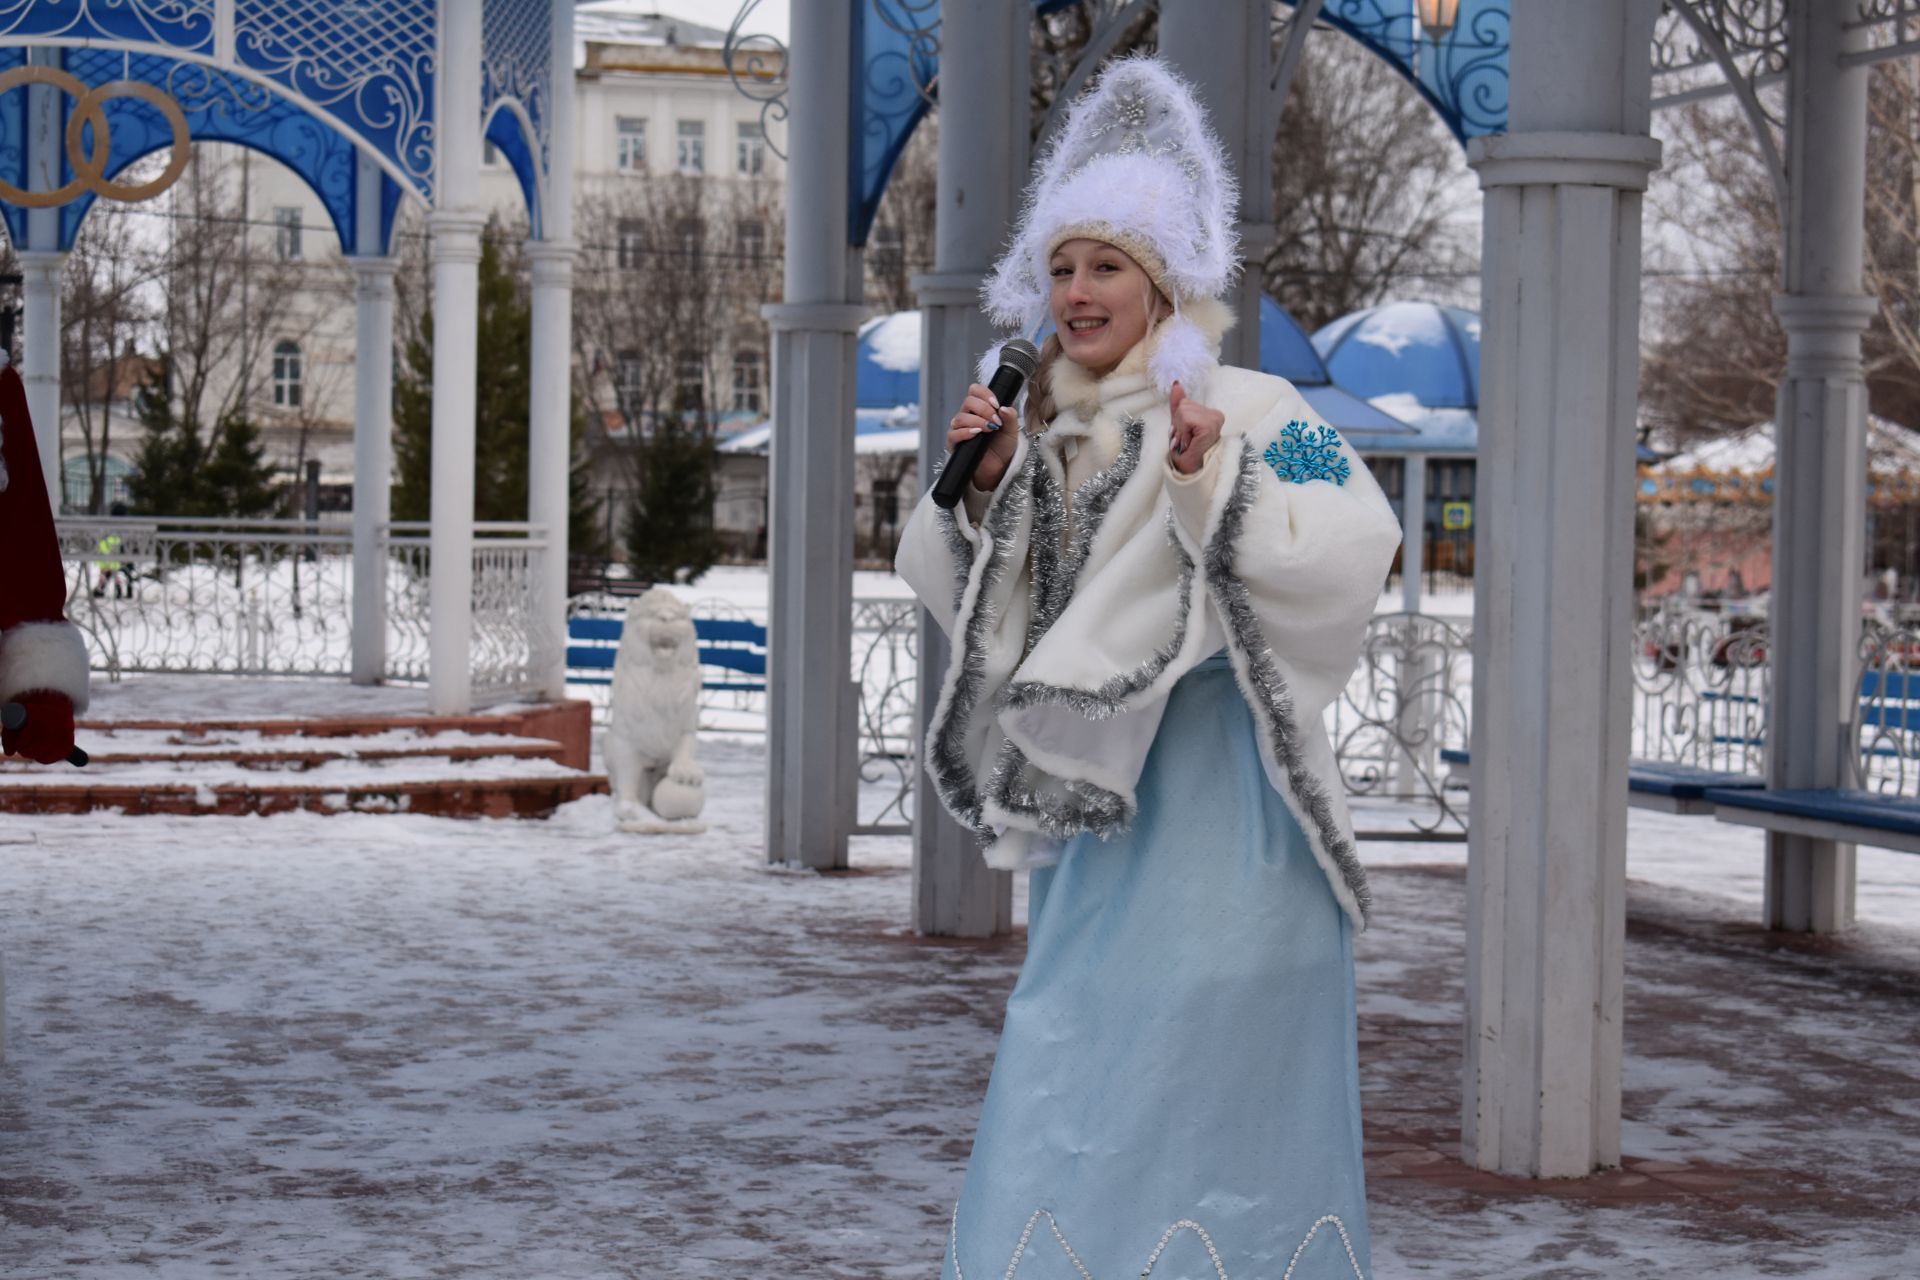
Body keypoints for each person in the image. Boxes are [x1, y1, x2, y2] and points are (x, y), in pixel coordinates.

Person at [894, 56, 1401, 1279]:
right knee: (1072, 1056)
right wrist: (998, 492)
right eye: (1061, 266)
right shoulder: (1047, 425)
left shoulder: (1261, 406)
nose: (1076, 290)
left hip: (1231, 820)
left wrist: (1204, 483)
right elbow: (1013, 607)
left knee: (1213, 1079)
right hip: (1108, 826)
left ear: (1163, 281)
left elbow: (1354, 541)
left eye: (1105, 264)